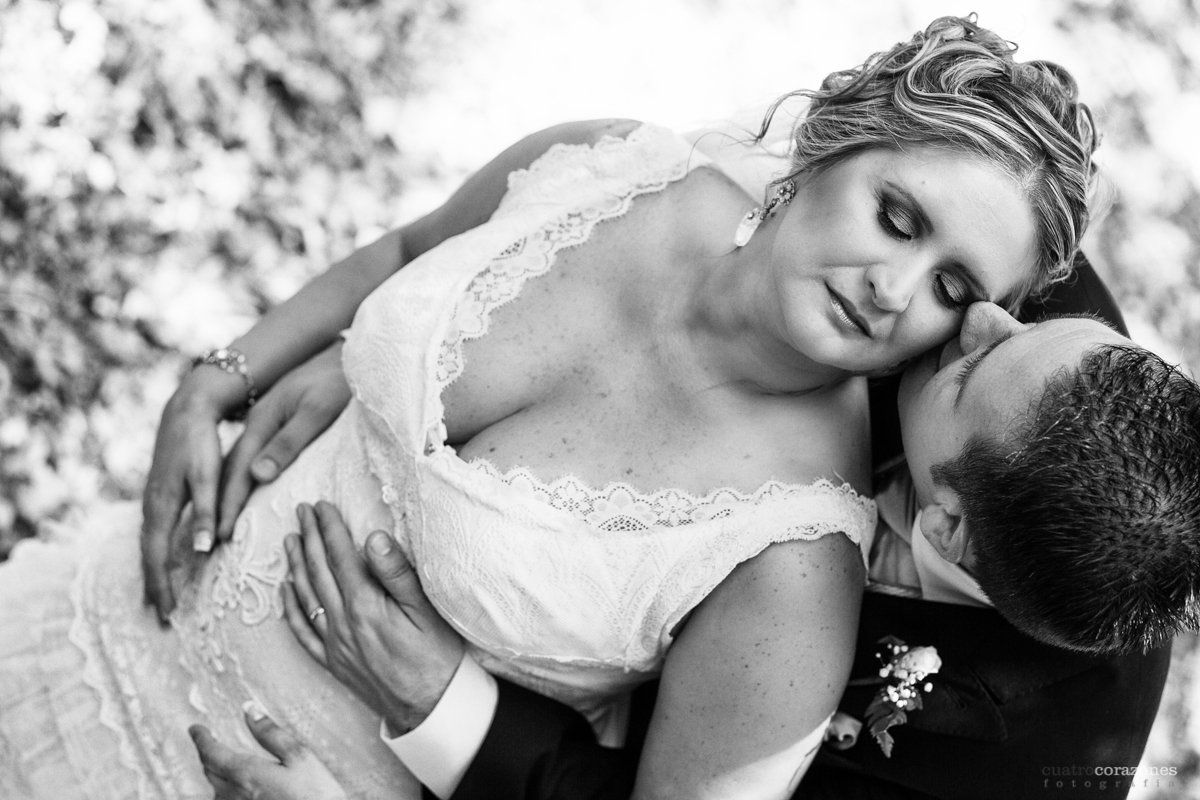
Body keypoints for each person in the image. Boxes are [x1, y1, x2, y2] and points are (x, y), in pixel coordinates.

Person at [0, 15, 1110, 799]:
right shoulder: (609, 163)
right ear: (835, 134)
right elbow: (407, 249)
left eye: (955, 289)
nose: (893, 289)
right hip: (95, 628)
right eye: (899, 217)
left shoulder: (792, 563)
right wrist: (221, 374)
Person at [190, 276, 1192, 800]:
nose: (977, 314)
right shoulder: (1048, 310)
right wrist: (392, 352)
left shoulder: (995, 775)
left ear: (949, 524)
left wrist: (441, 707)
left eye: (978, 365)